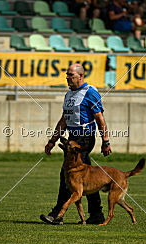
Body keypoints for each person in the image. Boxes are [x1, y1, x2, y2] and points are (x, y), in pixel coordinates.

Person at [40, 64, 112, 225]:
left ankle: (57, 214)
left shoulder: (90, 92)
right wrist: (52, 140)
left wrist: (105, 141)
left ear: (80, 76)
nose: (67, 77)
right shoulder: (69, 95)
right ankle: (96, 215)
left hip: (85, 137)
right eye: (66, 74)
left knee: (68, 175)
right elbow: (64, 120)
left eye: (70, 75)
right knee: (86, 178)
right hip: (72, 136)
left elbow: (100, 119)